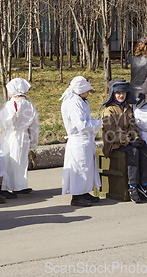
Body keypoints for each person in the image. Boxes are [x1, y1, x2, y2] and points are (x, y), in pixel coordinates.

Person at [101, 79, 147, 203]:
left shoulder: (127, 108)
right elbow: (112, 132)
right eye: (118, 93)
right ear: (112, 94)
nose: (121, 96)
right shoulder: (108, 110)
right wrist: (130, 142)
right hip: (113, 144)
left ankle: (145, 183)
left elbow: (132, 126)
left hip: (127, 141)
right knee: (133, 152)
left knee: (145, 149)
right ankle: (133, 186)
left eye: (124, 93)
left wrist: (136, 138)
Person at [60, 76, 102, 207]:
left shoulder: (81, 100)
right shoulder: (73, 102)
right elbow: (81, 125)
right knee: (80, 167)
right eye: (87, 91)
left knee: (87, 167)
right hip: (78, 140)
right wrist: (98, 123)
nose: (88, 93)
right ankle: (77, 196)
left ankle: (84, 191)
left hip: (85, 140)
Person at [0, 78, 40, 198]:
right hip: (23, 135)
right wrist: (33, 140)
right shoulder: (30, 105)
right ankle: (18, 186)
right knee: (21, 160)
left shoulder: (8, 105)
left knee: (9, 160)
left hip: (10, 135)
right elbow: (35, 126)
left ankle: (5, 187)